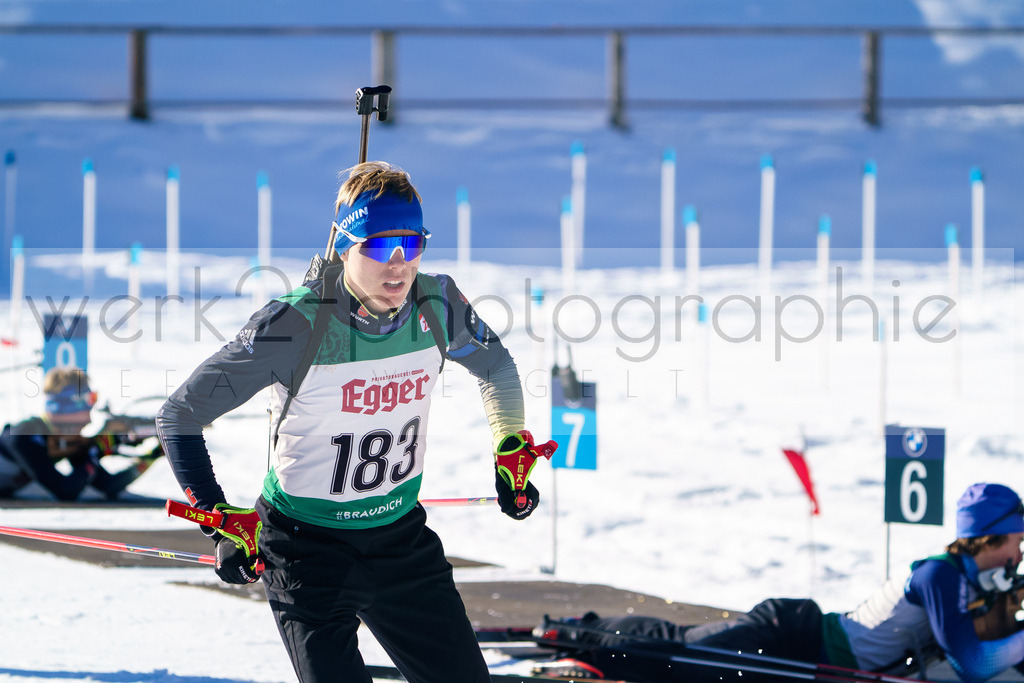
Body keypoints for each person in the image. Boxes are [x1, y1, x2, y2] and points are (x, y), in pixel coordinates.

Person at [156, 161, 553, 683]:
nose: (398, 265)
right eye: (378, 246)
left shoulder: (435, 304)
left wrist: (508, 442)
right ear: (345, 244)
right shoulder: (295, 324)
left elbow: (495, 365)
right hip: (304, 550)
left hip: (400, 542)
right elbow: (180, 414)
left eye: (411, 245)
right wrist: (218, 518)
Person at [541, 482, 1024, 683]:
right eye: (1017, 538)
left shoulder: (967, 576)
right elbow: (974, 663)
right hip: (794, 633)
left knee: (683, 647)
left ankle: (582, 634)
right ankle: (578, 639)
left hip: (808, 641)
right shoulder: (941, 575)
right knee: (683, 653)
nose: (1021, 550)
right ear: (991, 535)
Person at [0, 367, 161, 501]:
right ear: (67, 407)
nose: (90, 418)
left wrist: (152, 456)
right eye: (87, 403)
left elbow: (108, 485)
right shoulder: (21, 436)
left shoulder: (66, 439)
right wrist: (95, 453)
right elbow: (65, 491)